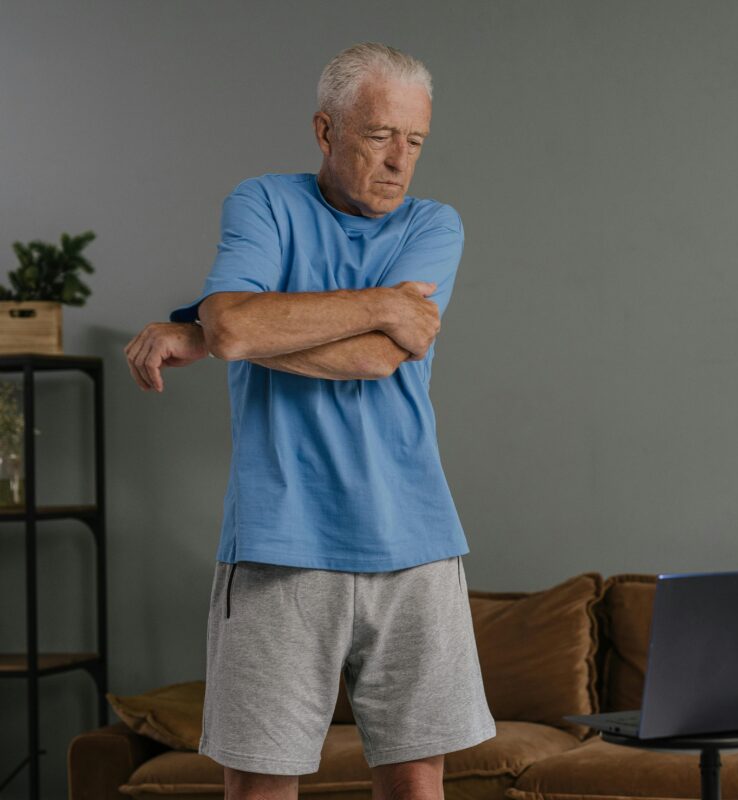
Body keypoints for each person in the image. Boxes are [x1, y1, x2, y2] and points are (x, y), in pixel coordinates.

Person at [121, 42, 496, 800]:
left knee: (419, 783)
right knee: (260, 787)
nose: (399, 161)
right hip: (278, 544)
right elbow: (236, 328)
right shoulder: (263, 203)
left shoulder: (435, 225)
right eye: (379, 135)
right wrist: (378, 303)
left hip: (415, 540)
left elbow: (375, 360)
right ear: (326, 132)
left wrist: (222, 333)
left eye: (415, 141)